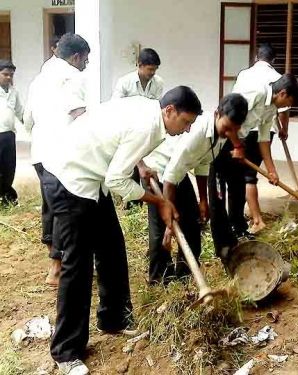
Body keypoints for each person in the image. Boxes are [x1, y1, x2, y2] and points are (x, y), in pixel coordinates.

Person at [41, 86, 201, 375]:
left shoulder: (147, 109)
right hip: (69, 179)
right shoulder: (147, 126)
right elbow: (117, 180)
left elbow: (119, 139)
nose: (187, 130)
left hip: (92, 178)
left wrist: (140, 164)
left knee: (112, 248)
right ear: (169, 111)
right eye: (185, 122)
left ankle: (114, 319)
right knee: (77, 266)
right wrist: (158, 200)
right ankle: (66, 351)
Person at [143, 93, 248, 285]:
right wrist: (169, 222)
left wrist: (203, 200)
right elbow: (170, 176)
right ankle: (159, 280)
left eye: (235, 129)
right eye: (227, 127)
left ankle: (184, 274)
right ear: (217, 114)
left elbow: (203, 165)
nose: (229, 133)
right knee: (162, 229)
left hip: (177, 172)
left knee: (191, 224)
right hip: (158, 172)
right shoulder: (197, 132)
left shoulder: (221, 133)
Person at [209, 73, 298, 260]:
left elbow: (263, 138)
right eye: (288, 102)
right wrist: (235, 144)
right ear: (282, 93)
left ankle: (239, 230)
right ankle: (221, 243)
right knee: (218, 194)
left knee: (238, 188)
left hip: (237, 143)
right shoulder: (257, 93)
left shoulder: (271, 108)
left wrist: (271, 170)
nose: (286, 107)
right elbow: (228, 120)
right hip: (221, 142)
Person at [24, 33, 90, 286]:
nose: (86, 65)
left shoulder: (39, 79)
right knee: (68, 212)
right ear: (75, 57)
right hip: (62, 155)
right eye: (85, 59)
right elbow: (79, 113)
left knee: (51, 208)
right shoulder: (72, 76)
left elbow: (29, 119)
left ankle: (55, 262)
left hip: (40, 151)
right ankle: (56, 268)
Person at [240, 43, 290, 234]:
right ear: (274, 60)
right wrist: (284, 130)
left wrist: (272, 170)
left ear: (256, 58)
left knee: (246, 177)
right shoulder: (278, 79)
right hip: (246, 132)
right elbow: (283, 110)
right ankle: (254, 219)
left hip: (250, 132)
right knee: (247, 177)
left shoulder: (245, 74)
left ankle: (256, 219)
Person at [112, 47, 164, 208]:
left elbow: (157, 107)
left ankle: (142, 199)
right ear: (139, 65)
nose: (152, 73)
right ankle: (130, 201)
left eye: (155, 70)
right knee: (128, 164)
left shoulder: (158, 83)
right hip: (127, 128)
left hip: (146, 129)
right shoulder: (125, 82)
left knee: (144, 163)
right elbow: (116, 107)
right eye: (150, 69)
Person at [0, 60, 23, 207]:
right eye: (5, 74)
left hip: (9, 135)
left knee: (9, 168)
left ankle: (7, 198)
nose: (8, 78)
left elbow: (20, 112)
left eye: (11, 75)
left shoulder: (14, 92)